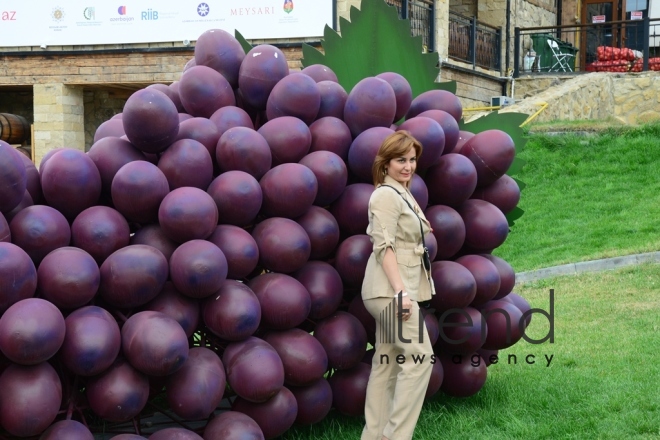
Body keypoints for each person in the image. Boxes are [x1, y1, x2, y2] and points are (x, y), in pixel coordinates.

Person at [361, 130, 435, 440]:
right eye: (400, 160)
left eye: (412, 160)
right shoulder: (386, 195)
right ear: (386, 163)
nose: (408, 166)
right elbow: (384, 247)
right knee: (420, 358)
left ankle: (374, 436)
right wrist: (401, 292)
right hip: (389, 290)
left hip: (390, 289)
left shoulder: (401, 192)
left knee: (387, 363)